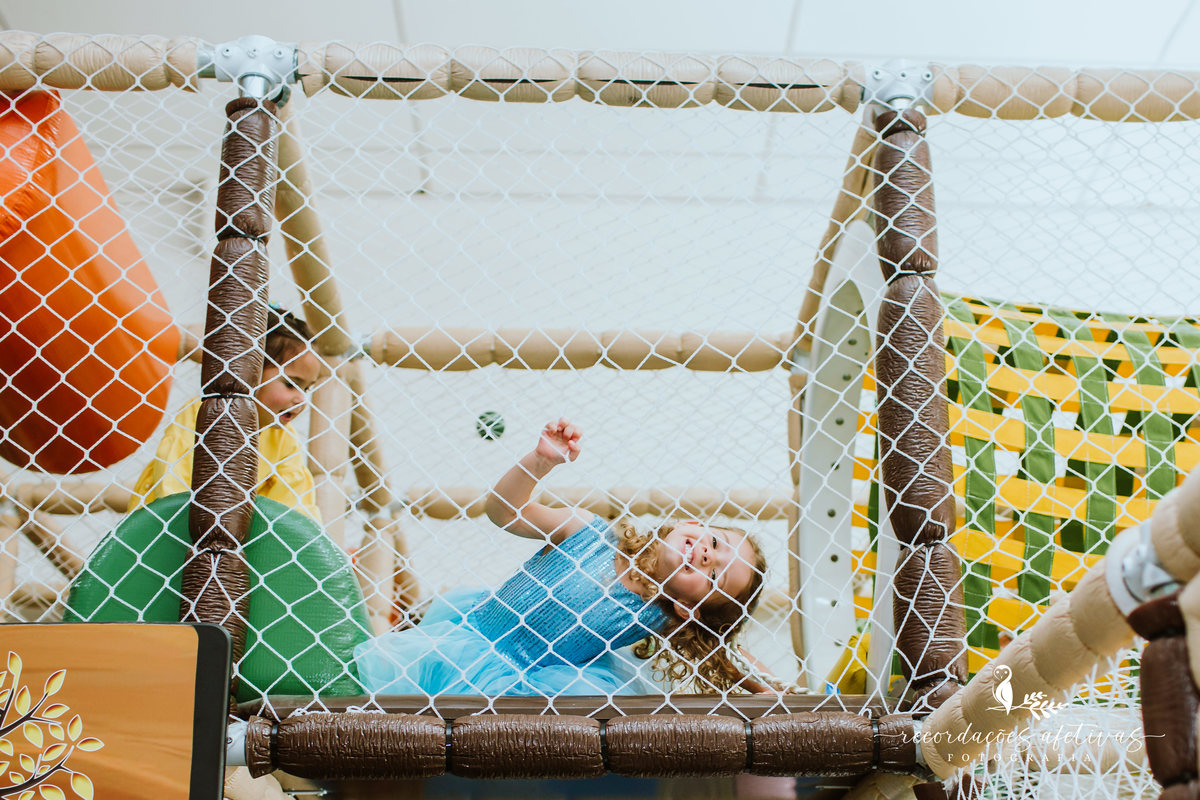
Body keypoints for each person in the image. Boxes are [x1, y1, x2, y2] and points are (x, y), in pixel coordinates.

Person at [354, 418, 773, 696]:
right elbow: (505, 512)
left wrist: (774, 691)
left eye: (715, 576)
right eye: (715, 543)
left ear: (687, 609)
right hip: (468, 641)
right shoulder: (588, 532)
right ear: (696, 526)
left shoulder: (660, 613)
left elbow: (723, 653)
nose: (705, 555)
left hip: (530, 687)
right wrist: (539, 463)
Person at [128, 306, 324, 522]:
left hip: (241, 531)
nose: (301, 399)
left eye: (307, 388)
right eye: (290, 384)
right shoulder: (204, 412)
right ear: (251, 373)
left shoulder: (284, 438)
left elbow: (294, 503)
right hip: (166, 526)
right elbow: (173, 479)